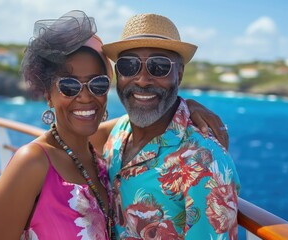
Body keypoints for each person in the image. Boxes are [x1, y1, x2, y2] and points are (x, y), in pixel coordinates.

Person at [0, 10, 228, 240]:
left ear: (179, 74)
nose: (85, 97)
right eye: (69, 86)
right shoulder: (31, 163)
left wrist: (185, 107)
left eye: (160, 67)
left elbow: (153, 118)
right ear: (48, 93)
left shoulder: (108, 146)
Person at [100, 13, 240, 239]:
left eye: (159, 66)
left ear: (180, 74)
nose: (143, 80)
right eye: (129, 66)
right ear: (118, 74)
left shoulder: (205, 161)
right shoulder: (120, 131)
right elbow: (70, 138)